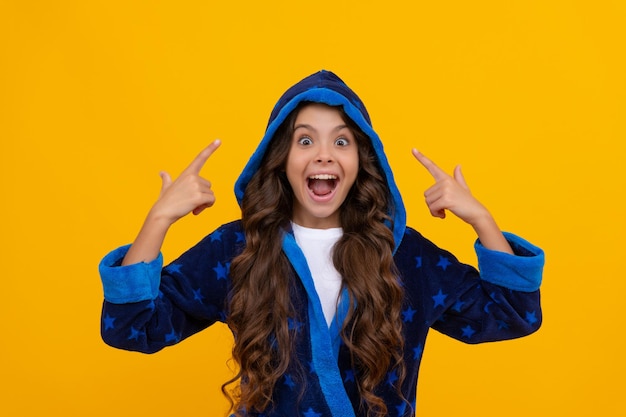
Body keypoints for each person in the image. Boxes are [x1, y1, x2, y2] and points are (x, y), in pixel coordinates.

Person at [99, 70, 544, 417]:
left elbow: (513, 314)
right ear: (281, 159)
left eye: (342, 141)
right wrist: (158, 220)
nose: (324, 155)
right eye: (305, 139)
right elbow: (130, 327)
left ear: (363, 159)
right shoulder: (239, 248)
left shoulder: (404, 254)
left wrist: (481, 220)